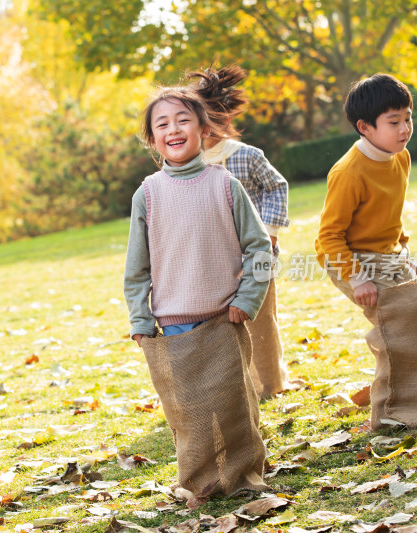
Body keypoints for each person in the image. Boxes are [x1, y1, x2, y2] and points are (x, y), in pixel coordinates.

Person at [123, 81, 272, 503]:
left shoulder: (225, 185)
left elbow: (259, 248)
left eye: (183, 119)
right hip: (175, 327)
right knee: (191, 416)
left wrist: (247, 299)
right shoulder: (148, 194)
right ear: (153, 139)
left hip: (225, 319)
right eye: (162, 123)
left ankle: (242, 475)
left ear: (203, 128)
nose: (173, 128)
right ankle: (201, 482)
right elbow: (137, 269)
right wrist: (140, 318)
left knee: (235, 406)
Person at [315, 74, 417, 430]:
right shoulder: (349, 172)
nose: (405, 128)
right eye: (393, 122)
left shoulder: (400, 158)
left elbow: (390, 215)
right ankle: (389, 414)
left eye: (407, 118)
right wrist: (358, 277)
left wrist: (404, 251)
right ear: (365, 127)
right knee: (397, 322)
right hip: (348, 258)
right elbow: (329, 236)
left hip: (385, 254)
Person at [190, 63, 299, 398]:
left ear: (220, 121)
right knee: (220, 325)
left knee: (261, 320)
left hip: (255, 257)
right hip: (213, 260)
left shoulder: (246, 156)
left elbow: (276, 186)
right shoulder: (188, 164)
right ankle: (233, 388)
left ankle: (270, 384)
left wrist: (270, 233)